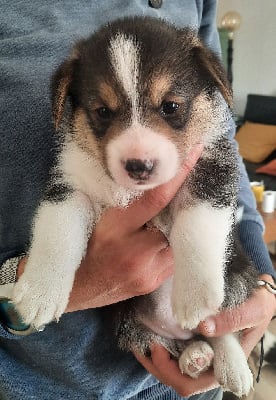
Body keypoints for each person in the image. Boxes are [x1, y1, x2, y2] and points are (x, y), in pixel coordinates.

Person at [0, 1, 275, 399]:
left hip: (172, 381)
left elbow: (222, 152)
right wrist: (51, 278)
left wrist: (265, 285)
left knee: (223, 275)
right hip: (43, 382)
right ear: (69, 104)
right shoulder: (81, 153)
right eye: (104, 113)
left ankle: (218, 342)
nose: (139, 150)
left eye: (170, 108)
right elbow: (67, 201)